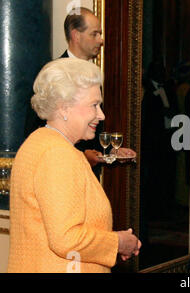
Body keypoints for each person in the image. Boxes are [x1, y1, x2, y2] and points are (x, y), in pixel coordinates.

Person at [8, 58, 141, 273]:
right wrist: (117, 242)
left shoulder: (40, 142)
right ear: (64, 107)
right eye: (94, 105)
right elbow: (66, 237)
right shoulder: (57, 154)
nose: (101, 114)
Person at [24, 7, 135, 168]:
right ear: (76, 35)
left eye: (100, 34)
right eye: (94, 34)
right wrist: (81, 155)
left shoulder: (92, 75)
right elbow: (36, 130)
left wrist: (110, 151)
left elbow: (91, 130)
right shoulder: (52, 74)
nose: (101, 40)